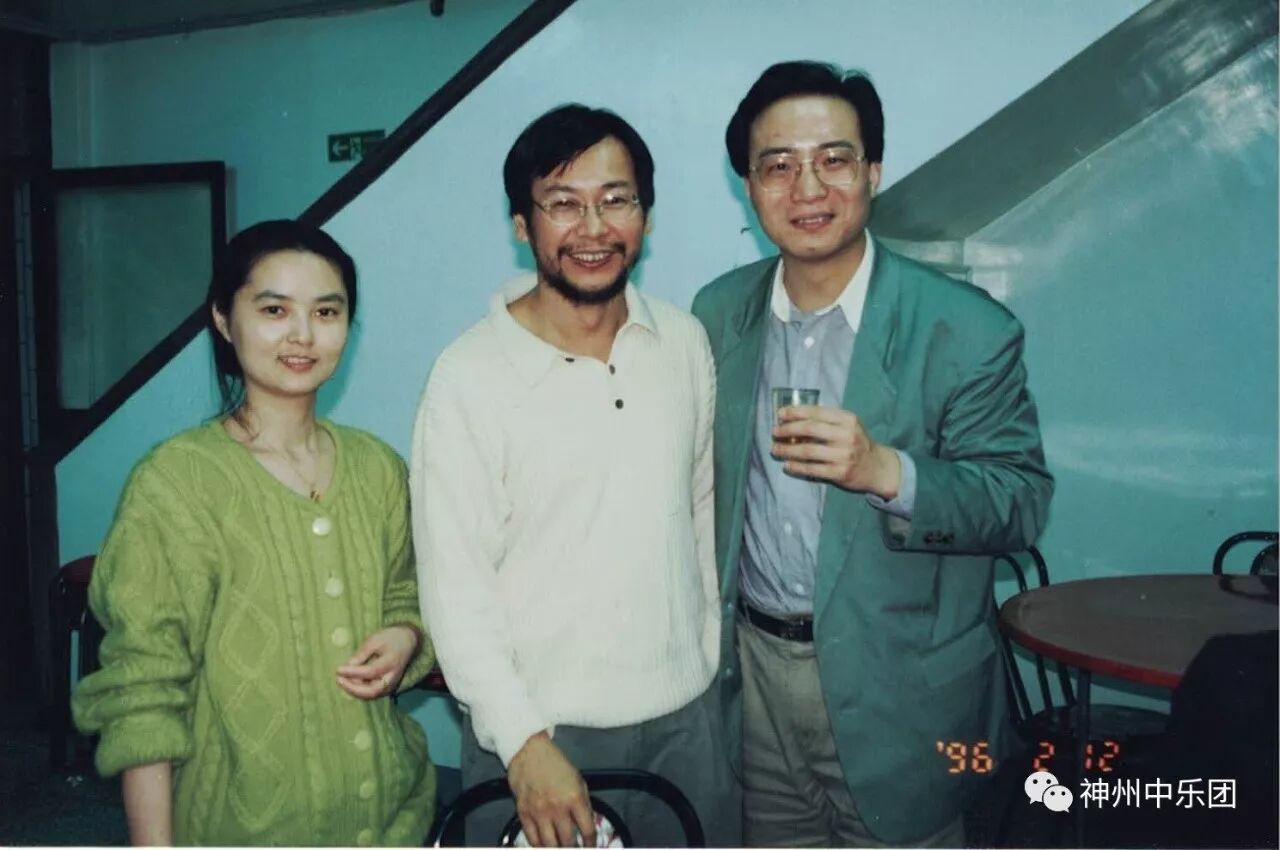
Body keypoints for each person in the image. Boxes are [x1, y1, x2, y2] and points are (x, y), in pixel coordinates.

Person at [691, 61, 1054, 847]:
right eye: (778, 165)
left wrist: (887, 472)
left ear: (873, 171)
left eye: (834, 159)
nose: (807, 188)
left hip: (906, 698)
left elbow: (1021, 501)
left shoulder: (966, 328)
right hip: (755, 685)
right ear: (748, 187)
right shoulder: (717, 313)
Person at [412, 104, 737, 847]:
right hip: (541, 741)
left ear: (645, 216)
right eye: (563, 203)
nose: (593, 228)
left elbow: (700, 516)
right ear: (522, 225)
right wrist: (522, 741)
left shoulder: (682, 342)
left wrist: (705, 666)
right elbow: (456, 588)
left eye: (616, 199)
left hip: (687, 724)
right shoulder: (466, 376)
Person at [72, 219, 436, 846]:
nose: (303, 335)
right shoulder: (176, 482)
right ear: (223, 318)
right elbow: (142, 691)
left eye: (327, 311)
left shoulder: (377, 467)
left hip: (392, 819)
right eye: (274, 310)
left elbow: (409, 593)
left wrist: (406, 635)